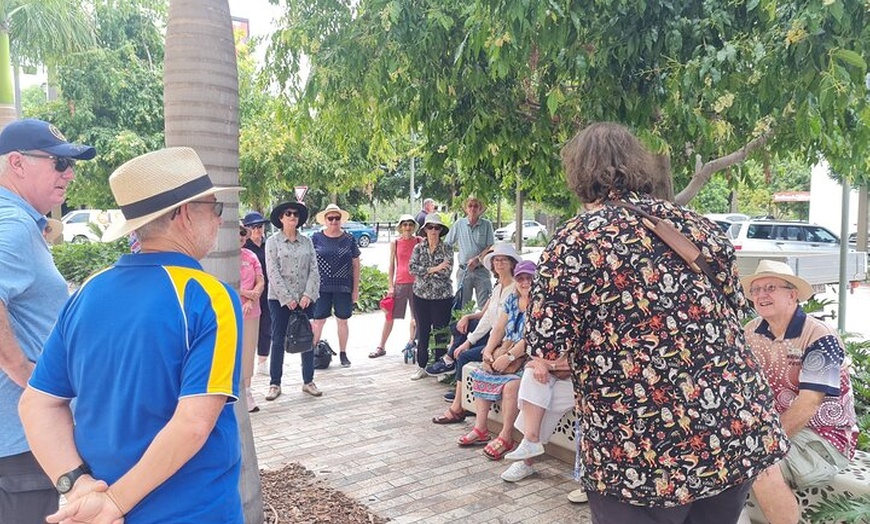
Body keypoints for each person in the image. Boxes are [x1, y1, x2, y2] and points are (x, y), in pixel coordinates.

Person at [526, 122, 789, 523]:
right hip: (730, 428)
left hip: (637, 448)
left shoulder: (573, 243)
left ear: (579, 174)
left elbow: (545, 346)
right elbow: (735, 306)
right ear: (639, 165)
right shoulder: (699, 226)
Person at [18, 146, 244, 523]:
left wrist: (76, 484)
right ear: (185, 213)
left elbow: (36, 404)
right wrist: (115, 503)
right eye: (214, 208)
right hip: (194, 512)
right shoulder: (208, 297)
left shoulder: (89, 291)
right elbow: (193, 423)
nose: (219, 220)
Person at [0, 118, 94, 523]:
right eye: (58, 163)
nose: (69, 173)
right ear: (17, 163)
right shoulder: (14, 225)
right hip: (22, 441)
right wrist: (26, 373)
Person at [741, 260, 857, 524]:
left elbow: (808, 405)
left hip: (824, 437)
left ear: (792, 294)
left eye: (770, 287)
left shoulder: (819, 336)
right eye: (755, 290)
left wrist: (765, 444)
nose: (761, 295)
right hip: (774, 429)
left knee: (761, 467)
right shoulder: (750, 332)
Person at [460, 260, 538, 461]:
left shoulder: (539, 304)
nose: (525, 282)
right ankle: (481, 428)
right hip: (506, 349)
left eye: (529, 278)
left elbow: (531, 338)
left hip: (527, 357)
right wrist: (488, 351)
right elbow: (499, 328)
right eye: (521, 278)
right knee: (480, 372)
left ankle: (506, 436)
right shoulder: (512, 299)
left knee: (511, 388)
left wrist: (509, 357)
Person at [430, 243, 519, 419]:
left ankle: (457, 407)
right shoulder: (498, 287)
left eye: (504, 260)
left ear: (511, 264)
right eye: (496, 260)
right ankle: (458, 398)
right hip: (493, 336)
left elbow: (504, 325)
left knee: (465, 356)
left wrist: (488, 347)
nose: (500, 264)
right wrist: (468, 342)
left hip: (506, 342)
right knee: (462, 342)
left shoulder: (515, 288)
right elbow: (487, 319)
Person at [265, 201, 321, 400]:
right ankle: (275, 383)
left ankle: (308, 381)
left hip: (305, 298)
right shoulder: (273, 242)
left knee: (307, 338)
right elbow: (272, 272)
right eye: (288, 214)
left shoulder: (307, 242)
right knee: (278, 339)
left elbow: (314, 269)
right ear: (281, 218)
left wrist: (307, 294)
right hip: (279, 300)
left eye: (295, 214)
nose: (292, 217)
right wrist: (287, 298)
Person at [499, 351, 576, 484]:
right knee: (531, 374)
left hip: (581, 378)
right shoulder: (539, 330)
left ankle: (528, 453)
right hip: (553, 371)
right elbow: (532, 345)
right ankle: (530, 442)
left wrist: (545, 365)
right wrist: (537, 363)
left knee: (545, 403)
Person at [311, 203, 359, 368]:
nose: (334, 221)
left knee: (343, 320)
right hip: (321, 286)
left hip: (343, 286)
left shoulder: (349, 239)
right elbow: (309, 264)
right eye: (330, 218)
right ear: (325, 220)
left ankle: (343, 353)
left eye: (337, 218)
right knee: (318, 320)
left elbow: (356, 265)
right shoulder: (316, 238)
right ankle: (311, 353)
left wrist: (355, 289)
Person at [408, 213, 454, 380]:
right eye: (430, 227)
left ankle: (439, 368)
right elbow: (412, 268)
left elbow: (446, 272)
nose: (433, 230)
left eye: (436, 227)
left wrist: (425, 271)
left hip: (442, 296)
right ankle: (421, 365)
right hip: (421, 296)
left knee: (441, 331)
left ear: (440, 230)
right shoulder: (418, 248)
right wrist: (434, 269)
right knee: (423, 330)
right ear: (425, 229)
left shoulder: (447, 248)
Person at [370, 214, 419, 358]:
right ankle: (381, 346)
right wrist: (390, 285)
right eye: (404, 225)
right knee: (389, 315)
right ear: (400, 227)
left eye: (410, 224)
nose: (407, 228)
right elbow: (391, 265)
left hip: (417, 283)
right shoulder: (395, 243)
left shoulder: (419, 241)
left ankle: (411, 342)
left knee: (416, 316)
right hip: (400, 282)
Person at [444, 196, 493, 309]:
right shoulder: (459, 224)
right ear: (466, 209)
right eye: (470, 206)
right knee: (463, 308)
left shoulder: (487, 225)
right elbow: (447, 244)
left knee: (485, 306)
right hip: (464, 271)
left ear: (480, 209)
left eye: (476, 206)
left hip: (482, 270)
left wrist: (477, 259)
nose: (473, 208)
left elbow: (490, 246)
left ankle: (484, 327)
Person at [242, 211, 272, 375]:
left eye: (260, 226)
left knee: (267, 326)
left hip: (267, 291)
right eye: (254, 227)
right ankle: (248, 361)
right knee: (249, 330)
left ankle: (263, 360)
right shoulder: (244, 248)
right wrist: (250, 294)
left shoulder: (269, 245)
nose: (258, 230)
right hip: (248, 293)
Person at [239, 226, 265, 412]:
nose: (240, 240)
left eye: (242, 237)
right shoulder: (223, 256)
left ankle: (247, 391)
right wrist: (244, 294)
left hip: (252, 311)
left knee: (249, 350)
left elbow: (261, 280)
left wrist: (252, 296)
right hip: (232, 309)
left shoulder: (251, 256)